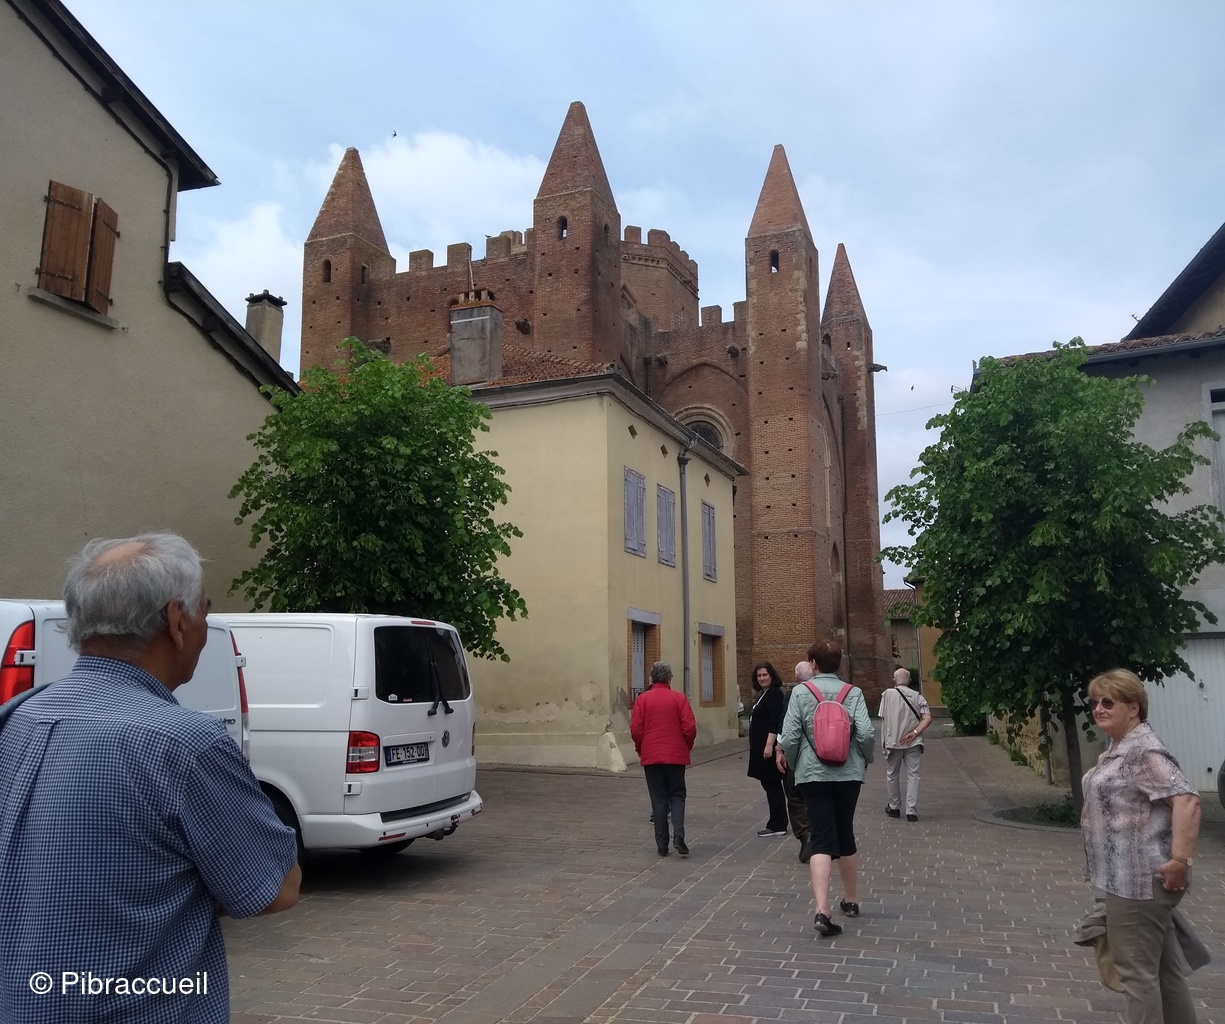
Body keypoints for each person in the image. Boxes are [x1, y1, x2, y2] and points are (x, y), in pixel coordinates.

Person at [0, 534, 301, 1024]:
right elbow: (278, 888)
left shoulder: (18, 717)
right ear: (176, 621)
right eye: (205, 610)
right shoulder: (185, 743)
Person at [1080, 668, 1201, 1023]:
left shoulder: (1142, 751)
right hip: (1129, 880)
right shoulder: (1121, 747)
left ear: (1133, 708)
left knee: (1136, 976)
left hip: (1137, 883)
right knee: (1164, 972)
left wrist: (1180, 860)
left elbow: (1187, 800)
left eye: (1108, 702)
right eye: (1094, 702)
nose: (1098, 708)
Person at [778, 639, 874, 937]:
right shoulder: (853, 692)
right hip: (848, 773)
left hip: (813, 774)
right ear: (839, 663)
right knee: (845, 832)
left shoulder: (800, 693)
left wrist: (796, 762)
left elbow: (790, 737)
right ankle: (851, 900)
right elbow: (866, 733)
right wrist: (864, 759)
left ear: (813, 663)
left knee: (820, 837)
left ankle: (822, 910)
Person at [630, 661, 697, 857]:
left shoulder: (642, 700)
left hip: (652, 756)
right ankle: (679, 835)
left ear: (651, 678)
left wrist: (640, 748)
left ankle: (661, 844)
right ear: (669, 678)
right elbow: (690, 727)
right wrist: (686, 746)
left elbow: (636, 729)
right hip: (676, 756)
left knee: (658, 799)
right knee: (677, 795)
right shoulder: (679, 698)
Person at [878, 668, 933, 822]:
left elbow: (884, 719)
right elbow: (927, 718)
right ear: (909, 681)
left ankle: (894, 807)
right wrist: (915, 732)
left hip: (894, 742)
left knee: (892, 774)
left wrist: (885, 742)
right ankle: (911, 811)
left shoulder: (887, 695)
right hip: (913, 742)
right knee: (913, 775)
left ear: (894, 680)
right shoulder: (917, 696)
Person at [746, 662, 789, 838]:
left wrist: (770, 745)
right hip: (760, 747)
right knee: (769, 784)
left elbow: (775, 721)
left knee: (772, 784)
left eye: (765, 675)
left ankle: (778, 824)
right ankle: (776, 821)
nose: (762, 678)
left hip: (767, 749)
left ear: (771, 676)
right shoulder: (763, 694)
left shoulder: (774, 694)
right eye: (759, 675)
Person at [784, 661, 813, 862]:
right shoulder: (830, 692)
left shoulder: (793, 694)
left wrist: (783, 752)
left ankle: (805, 835)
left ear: (796, 678)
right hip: (823, 755)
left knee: (795, 797)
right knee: (817, 796)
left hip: (797, 754)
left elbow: (786, 727)